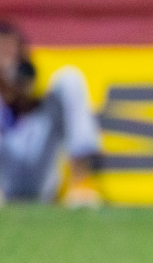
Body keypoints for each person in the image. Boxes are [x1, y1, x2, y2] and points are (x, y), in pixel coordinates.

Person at [0, 20, 103, 206]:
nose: (8, 57)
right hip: (5, 180)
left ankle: (81, 183)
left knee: (70, 78)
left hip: (40, 170)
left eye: (12, 50)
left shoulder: (29, 77)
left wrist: (23, 91)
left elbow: (34, 101)